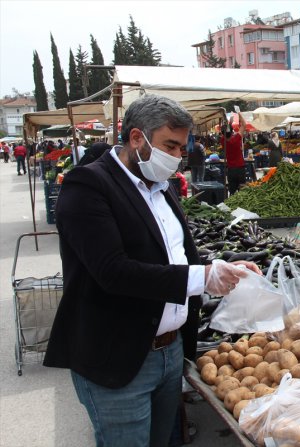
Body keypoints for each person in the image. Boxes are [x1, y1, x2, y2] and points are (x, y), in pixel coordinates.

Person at [43, 94, 262, 447]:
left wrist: (217, 267)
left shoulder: (162, 186)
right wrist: (202, 279)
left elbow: (171, 257)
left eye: (181, 148)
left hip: (171, 353)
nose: (177, 157)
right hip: (119, 356)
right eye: (169, 146)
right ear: (135, 138)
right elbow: (113, 272)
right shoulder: (88, 186)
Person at [222, 113, 247, 195]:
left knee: (232, 192)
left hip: (231, 169)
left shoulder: (223, 141)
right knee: (242, 190)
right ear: (232, 131)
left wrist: (229, 123)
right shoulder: (236, 139)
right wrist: (239, 113)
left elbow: (226, 132)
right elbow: (244, 125)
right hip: (240, 168)